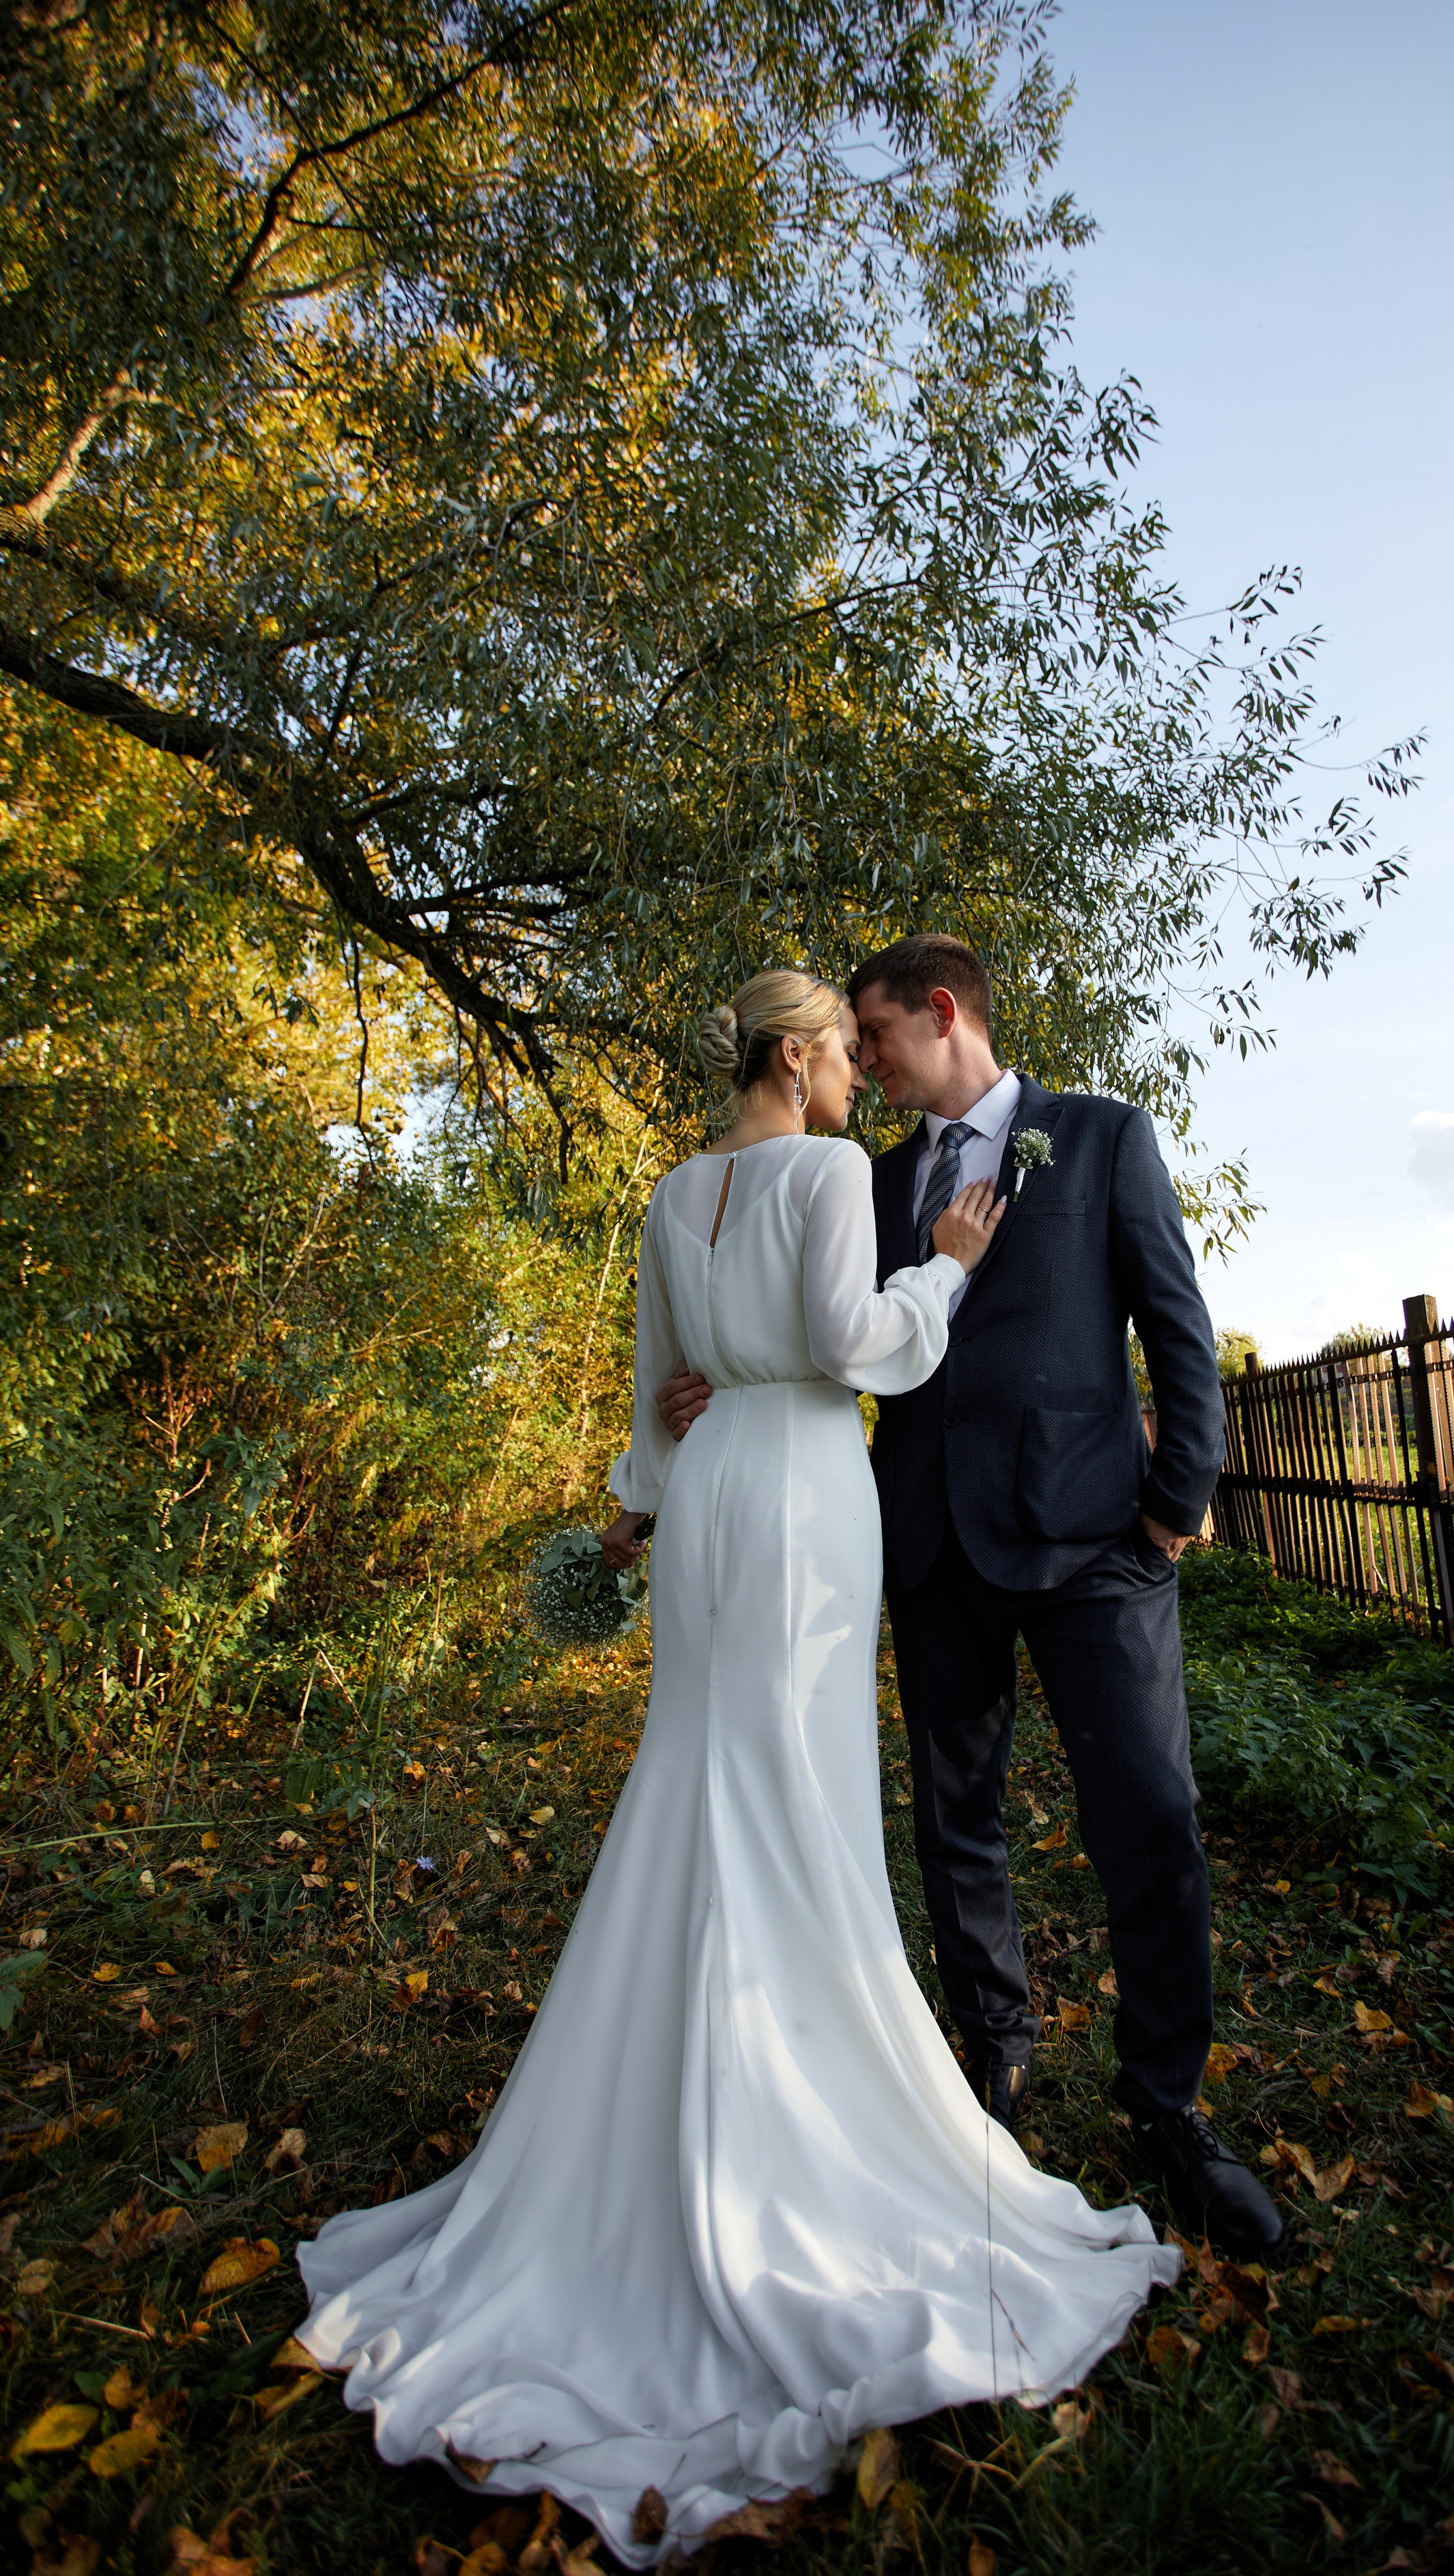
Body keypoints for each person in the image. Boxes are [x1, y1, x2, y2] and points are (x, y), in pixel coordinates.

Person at [298, 969, 1181, 2568]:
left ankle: (661, 2105)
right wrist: (951, 1273)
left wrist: (634, 1514)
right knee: (792, 1800)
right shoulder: (832, 1175)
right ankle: (792, 2110)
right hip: (797, 1501)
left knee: (705, 1778)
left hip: (709, 1504)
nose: (857, 1076)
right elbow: (859, 1342)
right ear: (792, 1057)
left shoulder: (669, 1194)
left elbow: (655, 1396)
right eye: (841, 1053)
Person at [656, 937, 1281, 2259]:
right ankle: (986, 2065)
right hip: (921, 1541)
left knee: (1149, 1818)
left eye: (876, 1035)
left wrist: (1176, 1500)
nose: (864, 1064)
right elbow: (815, 1329)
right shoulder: (864, 1178)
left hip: (1093, 1543)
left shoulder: (1097, 1138)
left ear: (939, 1014)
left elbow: (1174, 1321)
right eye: (850, 1047)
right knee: (956, 1825)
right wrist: (709, 1383)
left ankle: (1166, 2103)